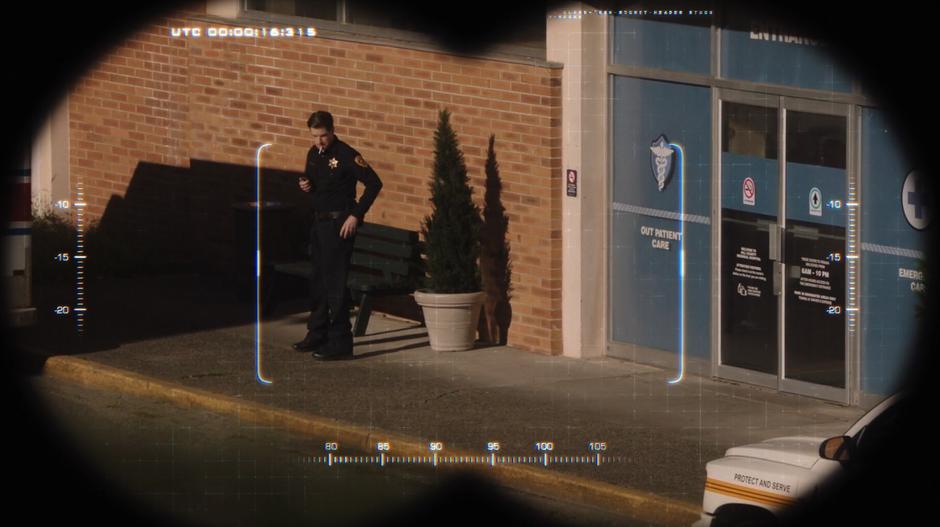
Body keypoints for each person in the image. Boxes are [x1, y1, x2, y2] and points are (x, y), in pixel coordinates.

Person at [292, 110, 383, 360]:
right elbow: (315, 185)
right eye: (314, 136)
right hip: (319, 223)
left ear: (332, 131)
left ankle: (341, 341)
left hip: (338, 224)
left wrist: (355, 215)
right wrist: (306, 186)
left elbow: (374, 183)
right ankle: (317, 332)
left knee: (335, 284)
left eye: (323, 136)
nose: (319, 141)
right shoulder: (314, 154)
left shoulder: (346, 155)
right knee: (318, 281)